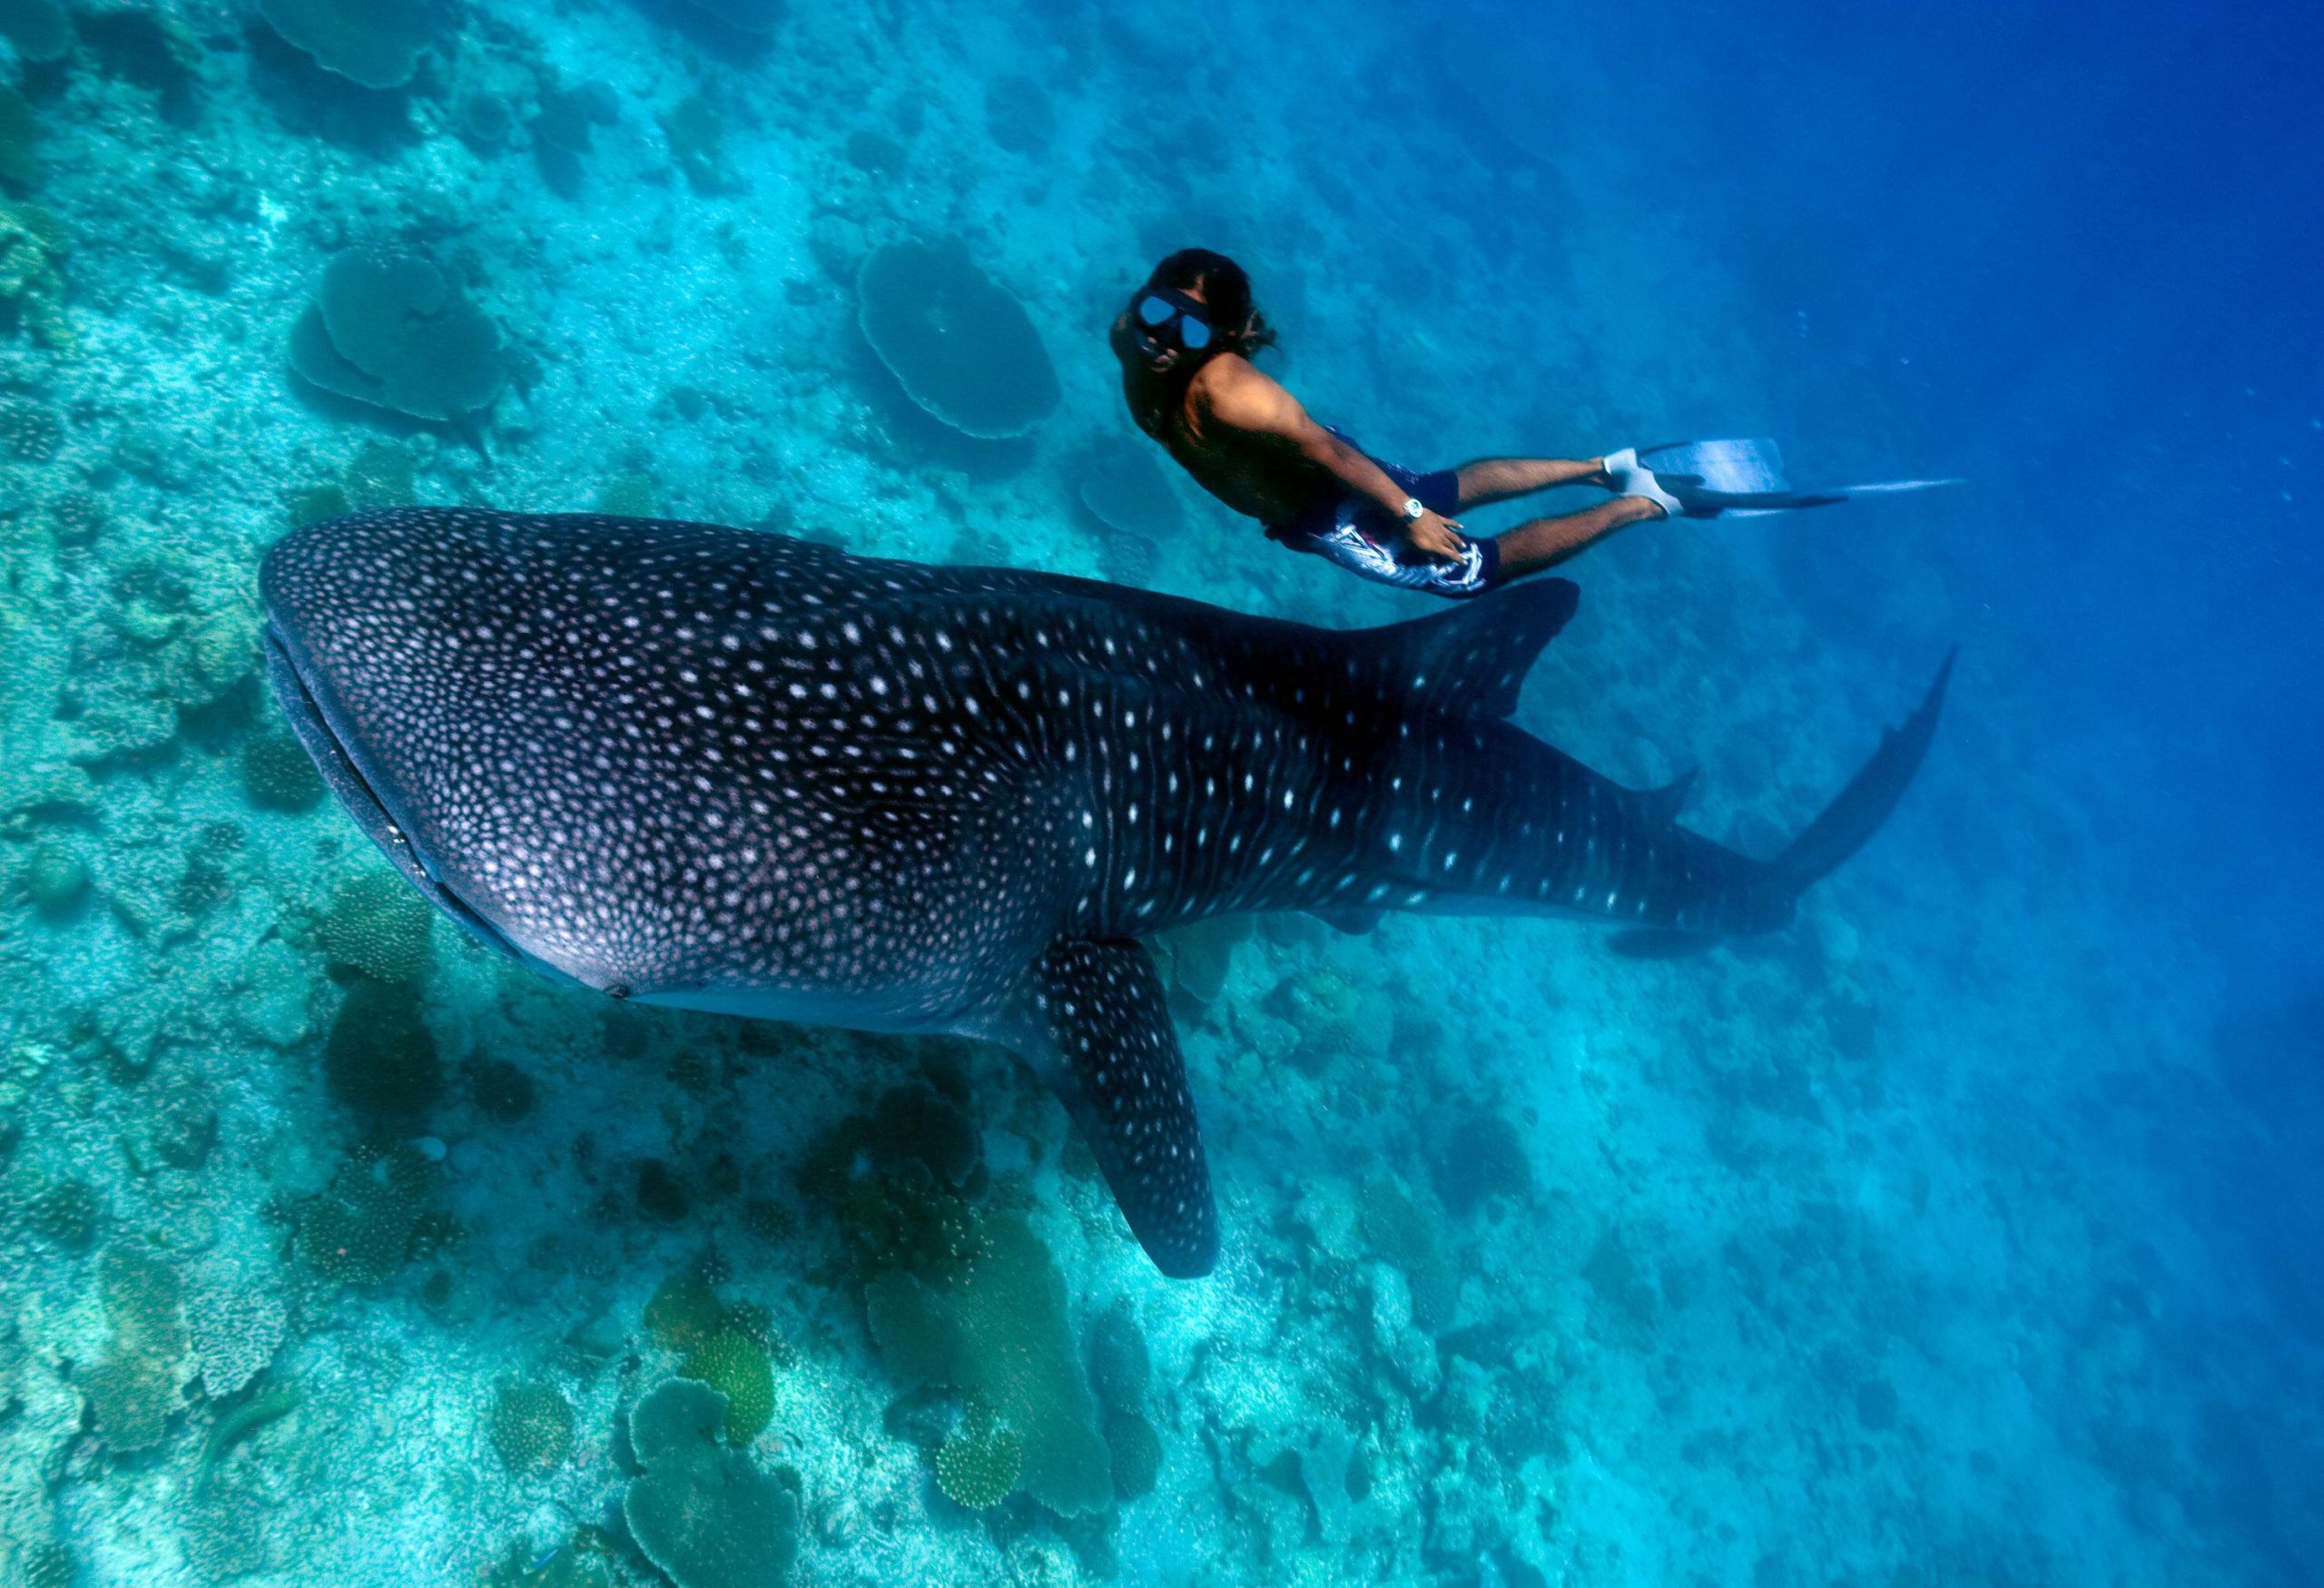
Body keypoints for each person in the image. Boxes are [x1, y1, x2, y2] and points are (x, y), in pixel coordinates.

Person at [1109, 248, 1671, 600]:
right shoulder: (1126, 335)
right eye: (1158, 311)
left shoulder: (1231, 394)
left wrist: (1412, 517)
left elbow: (1327, 454)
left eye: (1192, 329)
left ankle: (1642, 503)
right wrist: (1419, 504)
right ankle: (1602, 469)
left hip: (1331, 503)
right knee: (1444, 488)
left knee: (1469, 575)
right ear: (1143, 296)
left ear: (1224, 338)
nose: (1161, 336)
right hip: (1312, 481)